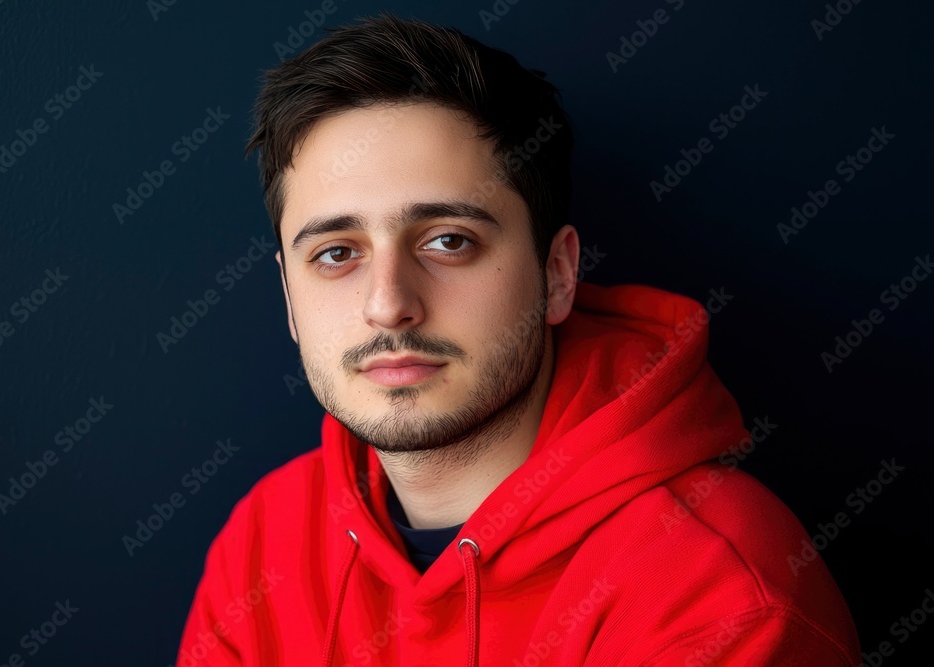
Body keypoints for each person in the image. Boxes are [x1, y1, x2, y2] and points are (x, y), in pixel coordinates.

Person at [177, 12, 860, 666]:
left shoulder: (719, 599)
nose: (388, 305)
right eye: (335, 253)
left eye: (449, 241)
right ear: (288, 295)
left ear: (558, 274)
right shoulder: (262, 544)